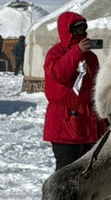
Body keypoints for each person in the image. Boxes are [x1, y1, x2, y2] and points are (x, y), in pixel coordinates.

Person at [43, 12, 105, 170]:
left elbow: (94, 86)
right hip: (65, 122)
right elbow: (58, 74)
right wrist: (76, 52)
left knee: (88, 172)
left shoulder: (90, 57)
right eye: (77, 29)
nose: (82, 33)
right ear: (67, 31)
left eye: (84, 29)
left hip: (88, 123)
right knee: (66, 172)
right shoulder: (56, 53)